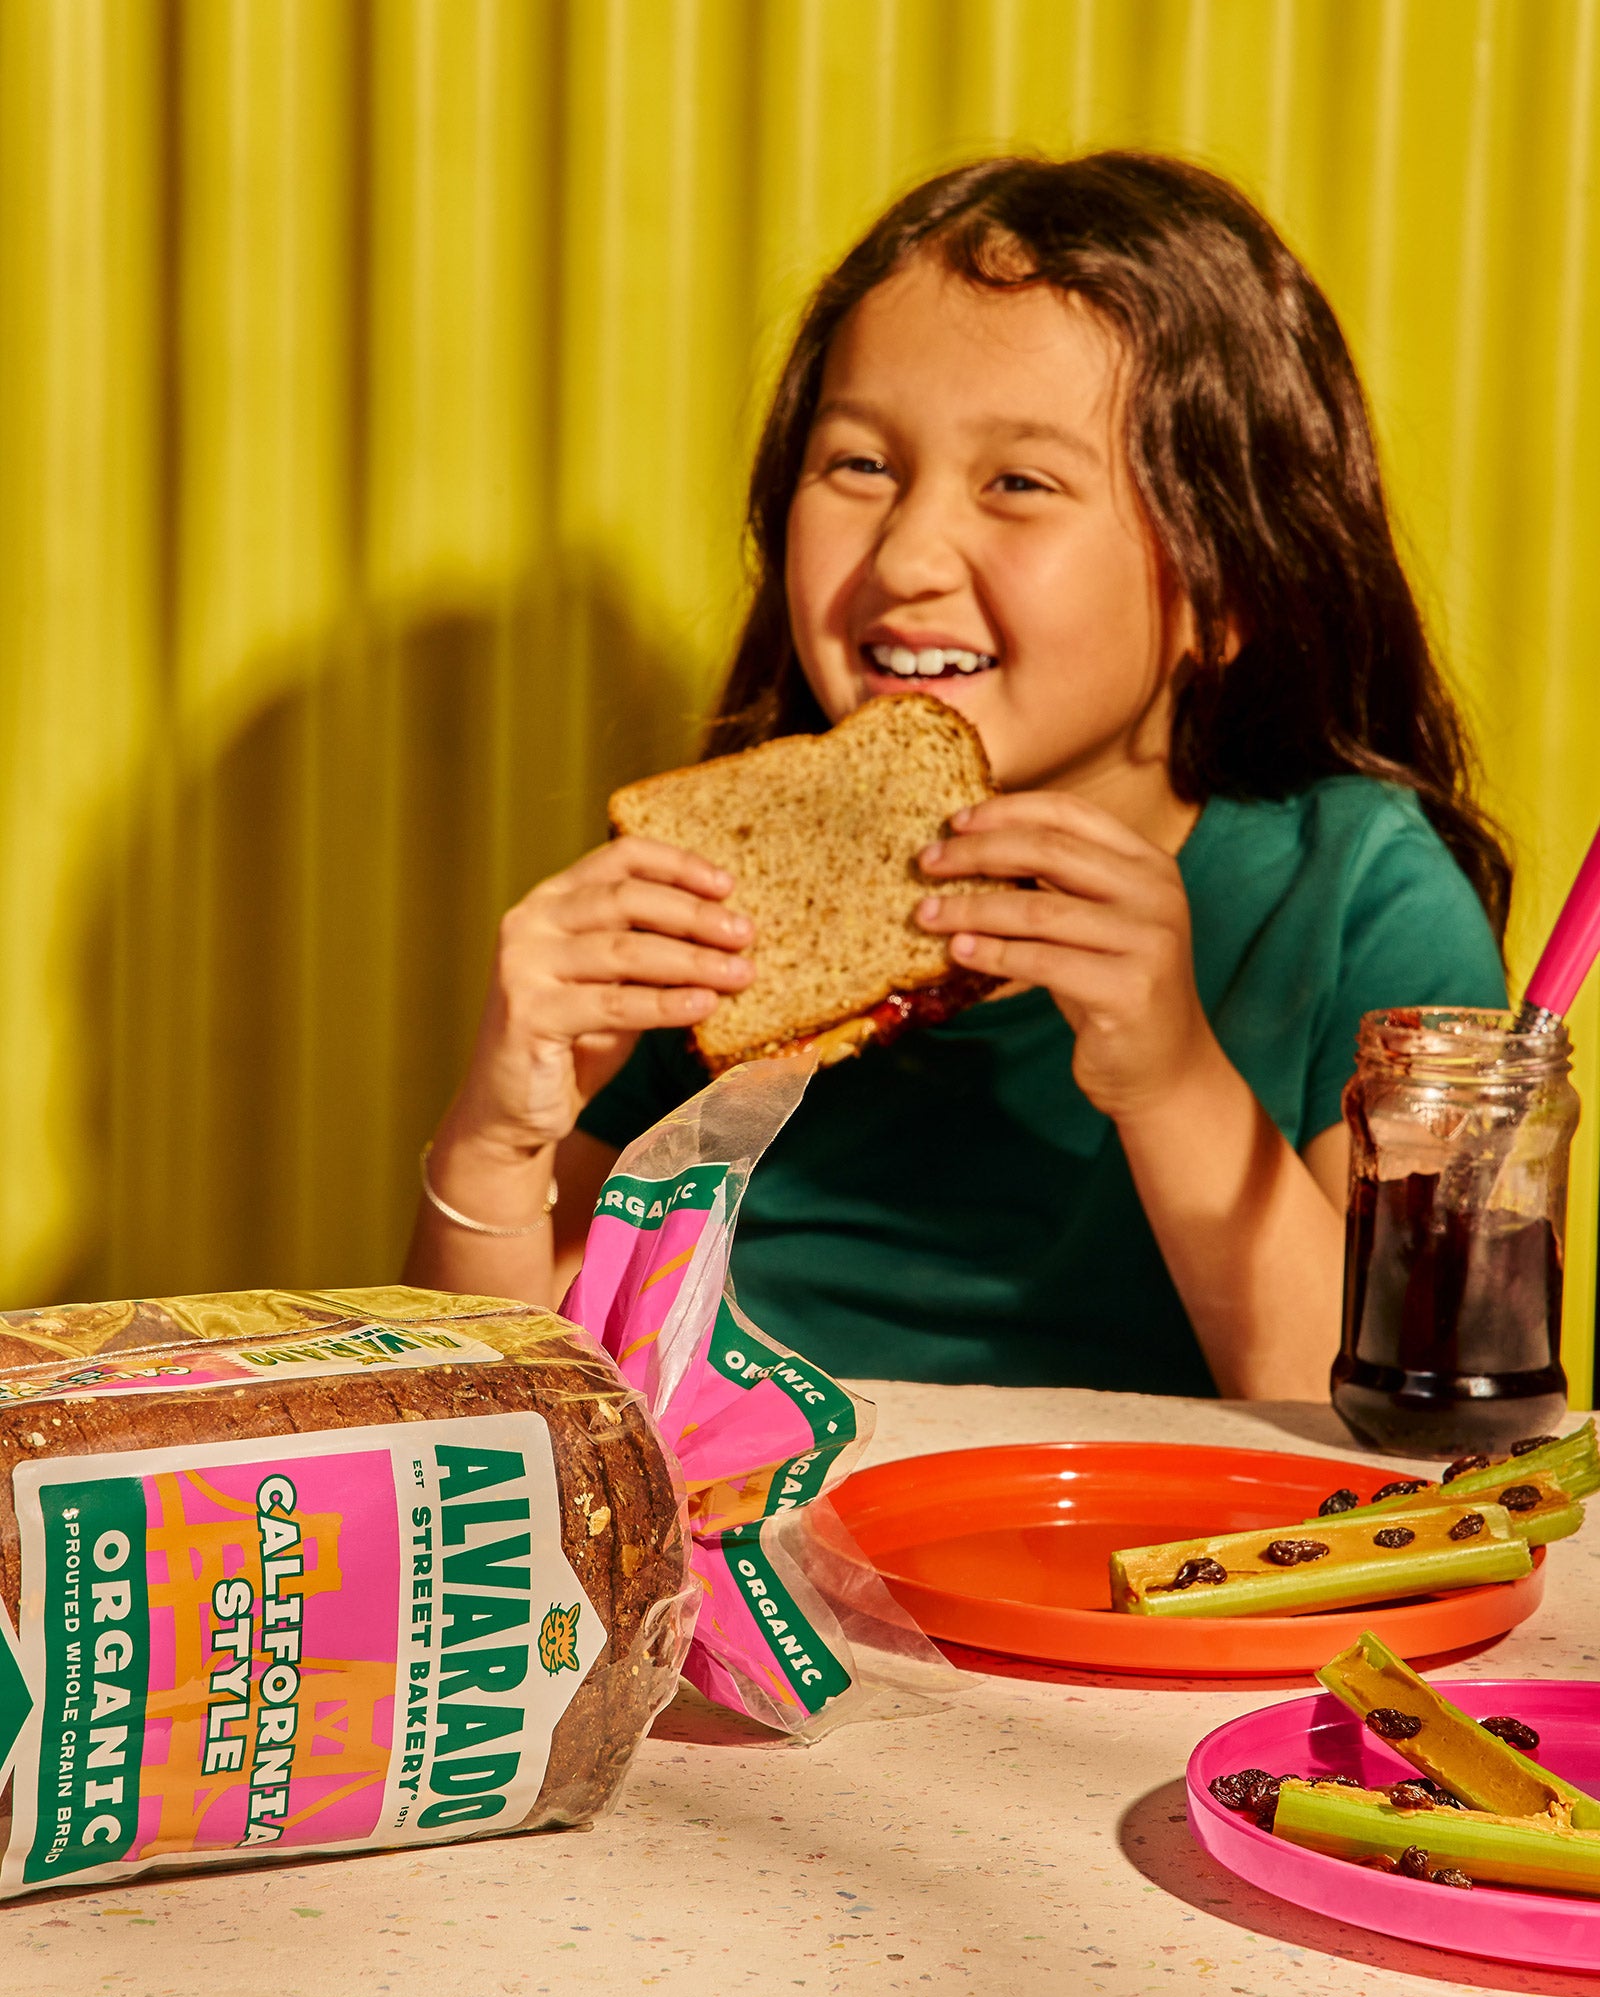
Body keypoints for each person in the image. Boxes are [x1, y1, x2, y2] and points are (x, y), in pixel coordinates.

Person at [403, 153, 1509, 1402]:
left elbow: (1399, 1446)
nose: (908, 552)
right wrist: (498, 1138)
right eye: (861, 466)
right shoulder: (721, 914)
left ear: (1227, 582)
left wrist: (1167, 1073)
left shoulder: (1356, 896)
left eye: (1019, 484)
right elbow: (504, 1432)